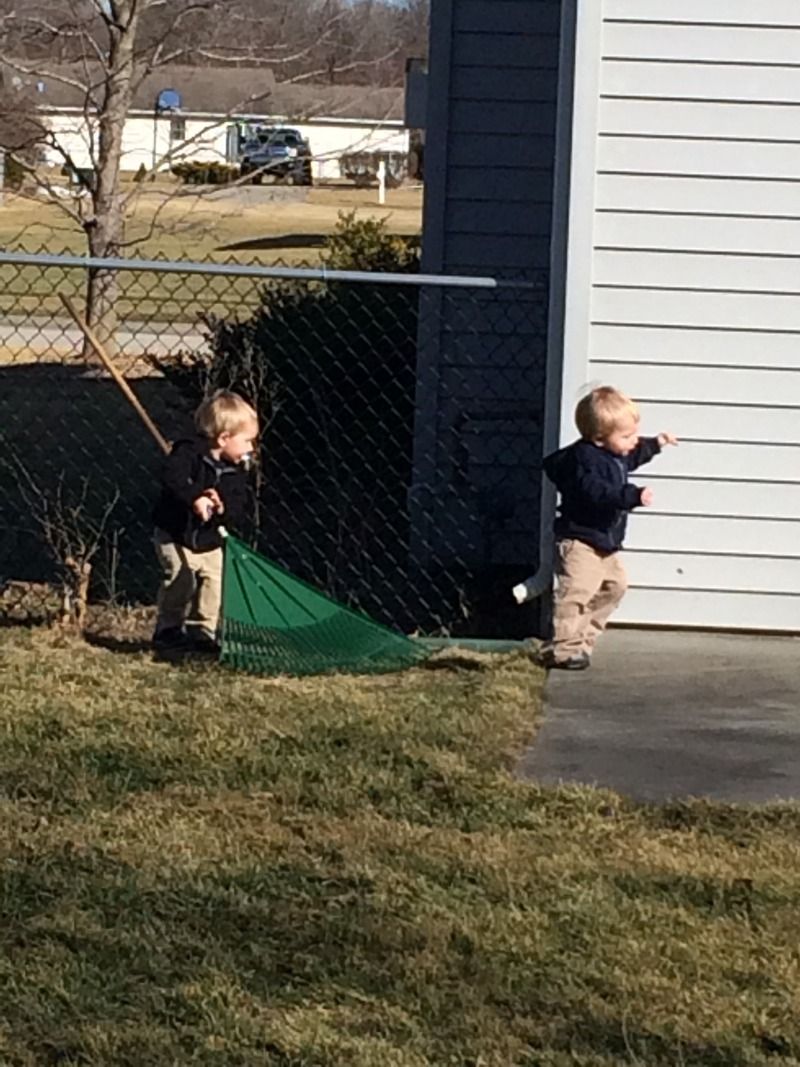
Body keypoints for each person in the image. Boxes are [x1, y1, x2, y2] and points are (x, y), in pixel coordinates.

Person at [538, 386, 677, 670]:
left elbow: (633, 456)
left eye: (635, 433)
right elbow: (597, 492)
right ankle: (563, 649)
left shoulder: (615, 453)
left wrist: (656, 444)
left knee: (615, 586)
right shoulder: (585, 463)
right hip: (580, 542)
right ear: (599, 438)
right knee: (576, 592)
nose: (633, 441)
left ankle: (583, 639)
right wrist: (632, 495)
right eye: (626, 436)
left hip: (604, 542)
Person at [151, 390, 258, 652]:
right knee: (181, 579)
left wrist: (222, 508)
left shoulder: (236, 472)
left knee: (214, 581)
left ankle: (203, 630)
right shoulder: (188, 453)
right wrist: (194, 498)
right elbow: (172, 478)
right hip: (176, 534)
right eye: (247, 441)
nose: (251, 449)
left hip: (210, 539)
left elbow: (237, 506)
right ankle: (169, 629)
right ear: (224, 438)